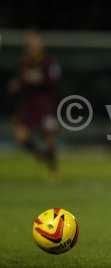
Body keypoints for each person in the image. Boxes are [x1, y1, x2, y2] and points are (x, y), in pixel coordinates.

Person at [7, 31, 61, 176]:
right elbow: (23, 79)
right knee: (20, 134)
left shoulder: (49, 61)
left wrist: (37, 79)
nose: (32, 47)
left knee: (49, 135)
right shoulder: (24, 62)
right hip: (29, 104)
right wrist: (17, 84)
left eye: (34, 43)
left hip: (45, 104)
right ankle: (40, 153)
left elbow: (54, 81)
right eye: (29, 44)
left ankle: (53, 168)